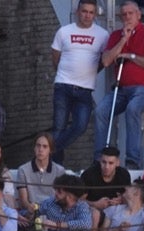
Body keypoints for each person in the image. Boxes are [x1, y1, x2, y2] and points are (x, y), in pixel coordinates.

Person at [93, 0, 144, 168]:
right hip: (121, 89)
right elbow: (107, 61)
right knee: (101, 111)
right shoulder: (116, 36)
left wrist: (130, 56)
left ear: (138, 15)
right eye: (123, 14)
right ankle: (99, 160)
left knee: (132, 109)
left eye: (131, 13)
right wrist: (124, 40)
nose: (127, 17)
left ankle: (132, 161)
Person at [50, 0, 109, 164]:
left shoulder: (102, 35)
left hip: (85, 90)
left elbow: (105, 60)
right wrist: (64, 73)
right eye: (84, 11)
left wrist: (89, 72)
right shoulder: (64, 31)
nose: (87, 16)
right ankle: (55, 165)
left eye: (91, 12)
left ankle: (49, 150)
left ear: (95, 14)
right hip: (63, 86)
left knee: (81, 126)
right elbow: (55, 57)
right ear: (78, 12)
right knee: (58, 127)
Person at [16, 133, 66, 218]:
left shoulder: (59, 170)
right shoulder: (23, 170)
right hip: (32, 211)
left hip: (53, 210)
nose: (40, 149)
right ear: (34, 148)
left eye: (45, 146)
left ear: (50, 150)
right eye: (38, 146)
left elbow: (61, 197)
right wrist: (30, 207)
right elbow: (23, 200)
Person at [80, 145, 131, 214]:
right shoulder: (89, 174)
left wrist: (121, 200)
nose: (106, 167)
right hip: (92, 211)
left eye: (111, 163)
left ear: (117, 163)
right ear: (100, 161)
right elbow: (78, 200)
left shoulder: (123, 174)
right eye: (104, 162)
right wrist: (95, 204)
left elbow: (130, 197)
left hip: (117, 212)